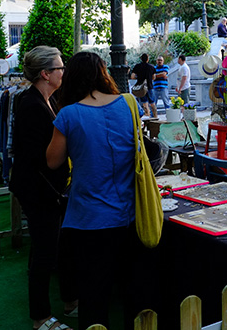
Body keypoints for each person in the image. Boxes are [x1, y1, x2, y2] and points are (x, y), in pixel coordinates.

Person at [46, 52, 143, 330]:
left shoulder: (68, 114)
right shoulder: (129, 103)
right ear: (104, 73)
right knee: (130, 291)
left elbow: (52, 161)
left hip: (88, 221)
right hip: (129, 215)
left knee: (93, 295)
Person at [9, 46, 77, 330]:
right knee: (45, 251)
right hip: (39, 190)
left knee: (56, 246)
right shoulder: (31, 105)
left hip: (49, 189)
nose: (64, 72)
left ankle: (70, 301)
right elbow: (40, 156)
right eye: (60, 68)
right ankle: (40, 317)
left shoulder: (49, 100)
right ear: (46, 73)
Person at [131, 53, 157, 118]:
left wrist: (139, 77)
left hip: (141, 88)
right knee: (152, 103)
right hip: (149, 86)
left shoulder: (137, 66)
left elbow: (132, 76)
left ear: (141, 59)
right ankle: (155, 117)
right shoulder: (151, 67)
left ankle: (147, 116)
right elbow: (154, 77)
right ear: (148, 59)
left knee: (144, 103)